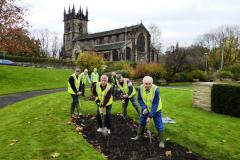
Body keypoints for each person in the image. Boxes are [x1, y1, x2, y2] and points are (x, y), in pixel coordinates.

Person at [131, 76, 165, 148]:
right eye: (146, 84)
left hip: (156, 109)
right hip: (146, 108)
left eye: (149, 84)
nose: (147, 85)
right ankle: (138, 136)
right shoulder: (140, 88)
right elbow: (139, 99)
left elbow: (155, 104)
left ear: (152, 83)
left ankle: (162, 141)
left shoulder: (155, 90)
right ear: (143, 83)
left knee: (159, 124)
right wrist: (143, 108)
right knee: (142, 121)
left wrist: (150, 116)